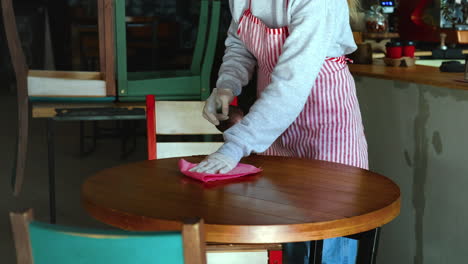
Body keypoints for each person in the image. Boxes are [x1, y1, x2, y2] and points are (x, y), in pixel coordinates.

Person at [192, 0, 367, 263]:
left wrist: (235, 146)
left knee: (329, 239)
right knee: (283, 231)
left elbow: (291, 83)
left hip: (327, 126)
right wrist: (226, 87)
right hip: (273, 127)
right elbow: (239, 45)